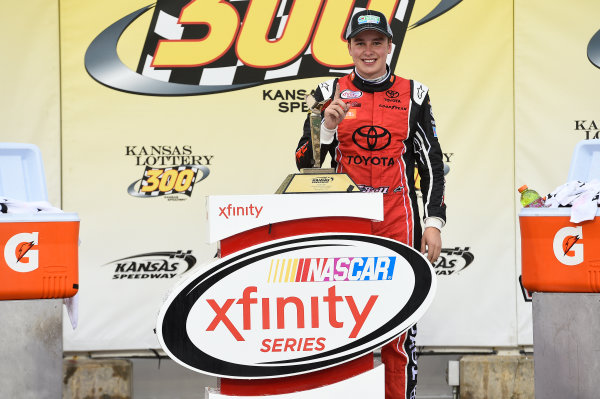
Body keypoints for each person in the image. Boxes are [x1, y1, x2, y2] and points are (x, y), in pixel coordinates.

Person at [295, 9, 446, 399]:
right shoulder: (327, 94)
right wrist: (325, 127)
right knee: (345, 321)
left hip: (399, 218)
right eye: (360, 43)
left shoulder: (415, 94)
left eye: (376, 42)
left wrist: (434, 221)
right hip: (347, 221)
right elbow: (304, 163)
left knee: (399, 325)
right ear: (348, 47)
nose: (368, 50)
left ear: (389, 47)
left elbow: (431, 164)